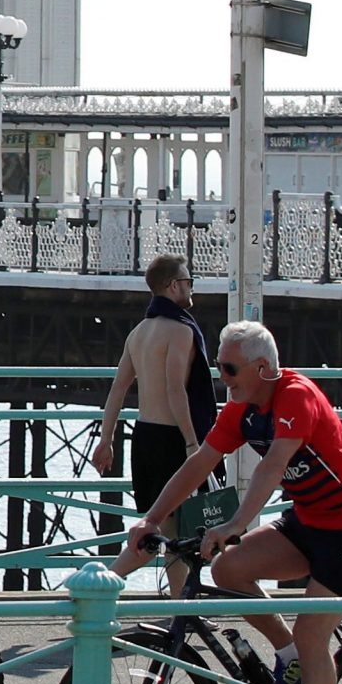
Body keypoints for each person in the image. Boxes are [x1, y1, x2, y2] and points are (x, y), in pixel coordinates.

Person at [120, 319, 342, 684]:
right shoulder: (242, 408)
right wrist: (153, 518)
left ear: (263, 368)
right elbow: (200, 461)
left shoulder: (295, 396)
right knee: (229, 569)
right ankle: (289, 657)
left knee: (313, 633)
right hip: (309, 522)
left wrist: (235, 524)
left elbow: (273, 465)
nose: (224, 379)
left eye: (230, 369)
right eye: (219, 368)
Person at [90, 254, 219, 594]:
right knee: (162, 529)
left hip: (144, 436)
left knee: (175, 532)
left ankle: (180, 607)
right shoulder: (179, 330)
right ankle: (101, 586)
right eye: (188, 282)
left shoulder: (139, 332)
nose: (192, 288)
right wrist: (194, 444)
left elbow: (118, 388)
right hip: (172, 438)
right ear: (173, 285)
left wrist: (107, 438)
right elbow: (176, 388)